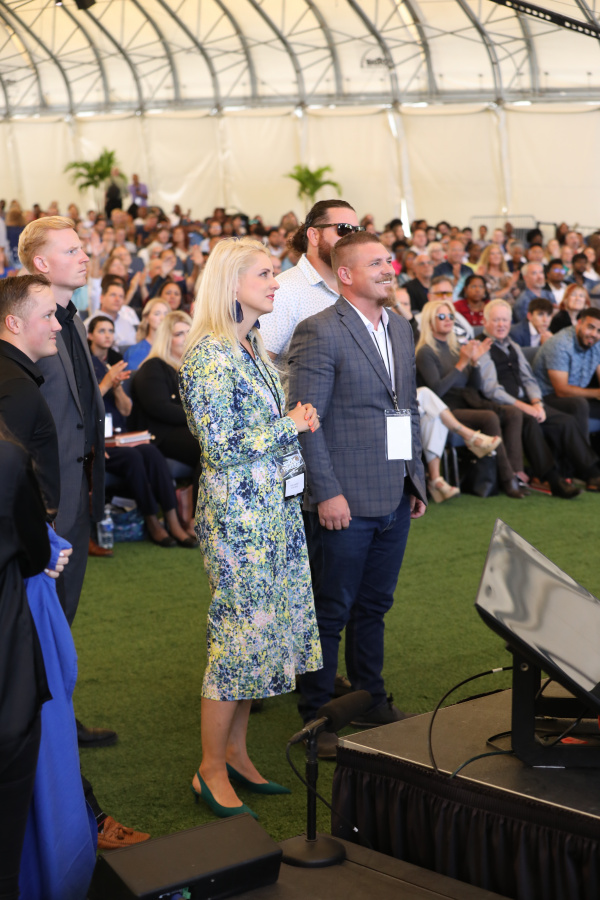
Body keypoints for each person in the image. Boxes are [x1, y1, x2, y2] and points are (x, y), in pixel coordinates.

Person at [17, 216, 150, 850]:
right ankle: (45, 730)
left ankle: (60, 718)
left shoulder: (67, 319)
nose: (85, 255)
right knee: (39, 626)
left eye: (83, 247)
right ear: (40, 264)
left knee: (61, 624)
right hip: (47, 501)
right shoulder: (28, 325)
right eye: (70, 250)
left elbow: (78, 410)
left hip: (78, 491)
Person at [179, 237, 322, 818]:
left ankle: (235, 754)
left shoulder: (251, 345)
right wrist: (290, 424)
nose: (275, 282)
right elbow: (220, 447)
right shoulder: (210, 356)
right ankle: (209, 769)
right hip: (240, 520)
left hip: (271, 511)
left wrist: (288, 423)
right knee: (237, 641)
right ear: (231, 284)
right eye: (263, 274)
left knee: (260, 638)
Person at [287, 231, 427, 759]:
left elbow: (407, 407)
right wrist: (326, 492)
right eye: (376, 263)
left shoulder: (400, 326)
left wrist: (414, 478)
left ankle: (370, 699)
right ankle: (316, 719)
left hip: (394, 494)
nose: (389, 269)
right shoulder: (320, 330)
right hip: (343, 499)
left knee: (374, 606)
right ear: (345, 274)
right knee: (330, 611)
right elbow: (307, 420)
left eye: (389, 260)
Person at [87, 316, 197, 548]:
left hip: (120, 434)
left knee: (151, 454)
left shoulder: (111, 364)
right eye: (179, 333)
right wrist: (107, 382)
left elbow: (125, 410)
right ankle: (152, 521)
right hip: (99, 438)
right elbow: (82, 408)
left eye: (110, 330)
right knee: (135, 457)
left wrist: (116, 387)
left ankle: (172, 520)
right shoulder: (90, 366)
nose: (186, 338)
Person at [477, 300, 600, 496]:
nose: (501, 325)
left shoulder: (513, 345)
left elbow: (529, 379)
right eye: (496, 320)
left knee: (566, 421)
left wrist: (536, 402)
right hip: (500, 406)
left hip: (528, 402)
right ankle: (551, 479)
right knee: (530, 422)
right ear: (485, 321)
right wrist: (526, 407)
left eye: (505, 320)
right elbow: (492, 390)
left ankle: (591, 473)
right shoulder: (480, 346)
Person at [416, 299, 525, 498]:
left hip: (468, 401)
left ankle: (516, 472)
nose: (448, 320)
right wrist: (462, 363)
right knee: (489, 417)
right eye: (442, 316)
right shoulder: (425, 352)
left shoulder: (456, 347)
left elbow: (474, 386)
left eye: (451, 316)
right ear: (430, 321)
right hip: (447, 408)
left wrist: (474, 363)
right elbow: (436, 391)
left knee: (513, 412)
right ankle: (507, 479)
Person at [260, 199, 363, 383]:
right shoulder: (284, 291)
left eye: (357, 231)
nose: (352, 239)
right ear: (314, 235)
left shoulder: (360, 288)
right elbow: (258, 371)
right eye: (344, 229)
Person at [132, 310, 201, 478]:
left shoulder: (193, 367)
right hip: (161, 435)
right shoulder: (153, 366)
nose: (187, 338)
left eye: (189, 332)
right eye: (179, 334)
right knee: (211, 446)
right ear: (166, 339)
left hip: (188, 429)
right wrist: (200, 417)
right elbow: (160, 407)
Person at [533, 308, 600, 437]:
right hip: (548, 396)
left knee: (580, 402)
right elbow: (562, 391)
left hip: (577, 394)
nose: (594, 334)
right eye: (590, 327)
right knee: (579, 404)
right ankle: (583, 450)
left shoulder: (596, 342)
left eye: (599, 331)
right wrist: (598, 393)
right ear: (579, 323)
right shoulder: (560, 344)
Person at [123, 297, 169, 371]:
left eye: (166, 314)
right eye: (157, 314)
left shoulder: (174, 347)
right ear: (147, 318)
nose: (162, 318)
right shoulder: (136, 351)